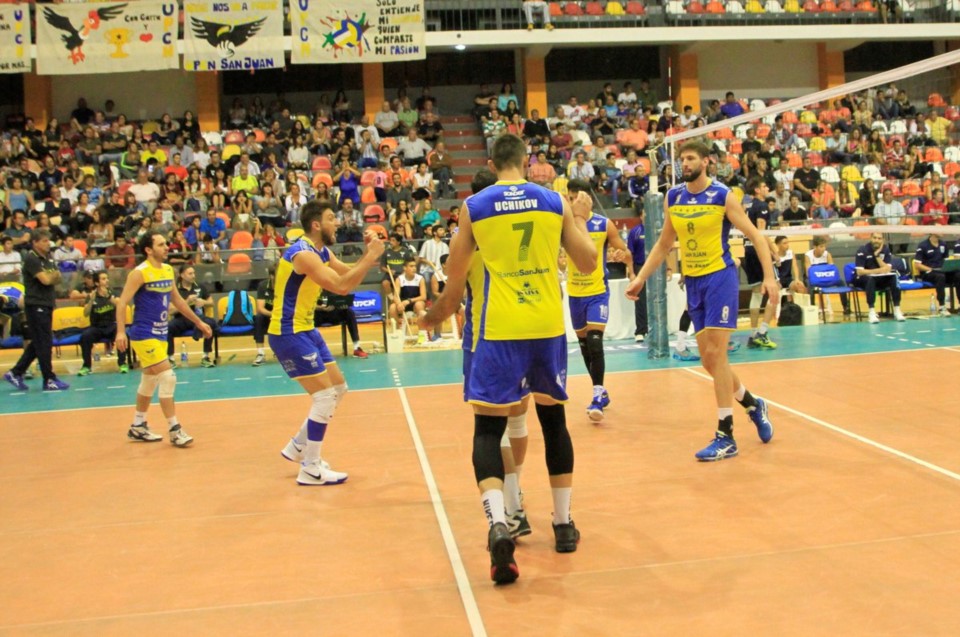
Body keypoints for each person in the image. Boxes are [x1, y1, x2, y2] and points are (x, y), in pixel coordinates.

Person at [420, 133, 597, 584]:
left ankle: (499, 521)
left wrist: (431, 318)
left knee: (487, 428)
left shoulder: (475, 207)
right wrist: (578, 218)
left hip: (499, 329)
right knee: (554, 422)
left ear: (492, 163)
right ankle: (563, 524)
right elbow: (587, 263)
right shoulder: (553, 201)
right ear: (525, 161)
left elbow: (454, 288)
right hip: (546, 326)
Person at [626, 140, 776, 462]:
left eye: (691, 158)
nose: (685, 163)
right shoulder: (673, 197)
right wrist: (640, 277)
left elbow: (756, 236)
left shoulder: (722, 195)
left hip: (720, 277)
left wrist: (769, 277)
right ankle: (752, 404)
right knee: (710, 361)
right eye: (682, 159)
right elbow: (664, 244)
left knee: (716, 354)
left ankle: (726, 435)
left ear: (706, 162)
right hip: (693, 282)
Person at [271, 201, 384, 486]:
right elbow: (342, 287)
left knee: (338, 388)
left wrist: (369, 252)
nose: (337, 223)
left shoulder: (322, 251)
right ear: (316, 225)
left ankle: (298, 445)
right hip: (288, 332)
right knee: (323, 396)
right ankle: (310, 468)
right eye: (332, 218)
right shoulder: (303, 254)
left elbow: (348, 274)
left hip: (305, 329)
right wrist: (370, 257)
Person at [115, 232, 213, 446]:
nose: (167, 247)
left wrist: (198, 322)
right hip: (143, 334)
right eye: (161, 245)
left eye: (166, 244)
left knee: (149, 380)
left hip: (161, 333)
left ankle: (138, 425)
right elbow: (122, 303)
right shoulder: (139, 273)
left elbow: (178, 301)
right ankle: (174, 429)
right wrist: (121, 332)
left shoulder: (168, 270)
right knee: (168, 377)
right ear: (148, 250)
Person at [565, 179, 630, 422]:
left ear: (588, 199)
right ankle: (601, 391)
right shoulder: (564, 225)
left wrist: (621, 254)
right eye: (571, 198)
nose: (575, 202)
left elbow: (623, 250)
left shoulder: (603, 224)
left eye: (578, 197)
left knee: (595, 342)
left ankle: (596, 396)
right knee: (585, 348)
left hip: (597, 292)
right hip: (575, 293)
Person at [3, 230, 70, 392]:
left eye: (48, 240)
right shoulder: (31, 258)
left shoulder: (48, 258)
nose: (48, 244)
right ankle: (49, 379)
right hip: (36, 305)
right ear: (35, 243)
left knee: (40, 342)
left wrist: (51, 276)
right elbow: (46, 280)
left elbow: (58, 277)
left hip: (47, 303)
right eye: (44, 241)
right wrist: (51, 276)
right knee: (44, 342)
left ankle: (15, 372)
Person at [742, 178, 779, 350]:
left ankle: (753, 334)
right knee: (775, 289)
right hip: (758, 250)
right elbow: (761, 233)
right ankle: (763, 332)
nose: (767, 188)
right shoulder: (762, 206)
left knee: (756, 292)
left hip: (747, 250)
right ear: (757, 190)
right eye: (764, 186)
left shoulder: (747, 206)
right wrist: (773, 251)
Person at [78, 271, 128, 375]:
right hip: (97, 328)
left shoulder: (113, 293)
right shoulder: (92, 295)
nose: (107, 281)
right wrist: (91, 301)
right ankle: (86, 366)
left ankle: (122, 364)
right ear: (97, 283)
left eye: (107, 278)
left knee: (122, 334)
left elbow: (120, 305)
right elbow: (85, 313)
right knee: (85, 336)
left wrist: (109, 297)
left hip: (112, 325)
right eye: (104, 279)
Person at [854, 232, 906, 324]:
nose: (876, 240)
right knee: (870, 279)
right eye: (874, 238)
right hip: (863, 279)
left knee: (894, 277)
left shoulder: (885, 249)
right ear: (870, 238)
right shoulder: (862, 250)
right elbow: (860, 272)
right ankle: (871, 312)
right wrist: (878, 271)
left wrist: (877, 256)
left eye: (879, 238)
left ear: (883, 240)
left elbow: (887, 269)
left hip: (879, 279)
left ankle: (897, 310)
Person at [914, 232, 957, 317]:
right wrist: (931, 269)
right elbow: (917, 265)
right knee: (940, 277)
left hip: (942, 271)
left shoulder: (943, 244)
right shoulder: (922, 245)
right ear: (932, 232)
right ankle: (942, 307)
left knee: (958, 275)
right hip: (928, 273)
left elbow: (946, 261)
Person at [627, 213, 647, 343]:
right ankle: (640, 331)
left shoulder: (657, 230)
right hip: (640, 267)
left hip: (655, 268)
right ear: (641, 215)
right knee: (640, 300)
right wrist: (631, 272)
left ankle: (657, 329)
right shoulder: (635, 231)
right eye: (645, 212)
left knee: (658, 299)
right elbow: (629, 253)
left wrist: (667, 268)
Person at [253, 264, 276, 366]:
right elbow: (260, 308)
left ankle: (282, 351)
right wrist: (272, 314)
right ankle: (261, 354)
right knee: (258, 318)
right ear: (271, 276)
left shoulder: (285, 285)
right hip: (267, 315)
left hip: (281, 315)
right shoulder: (263, 286)